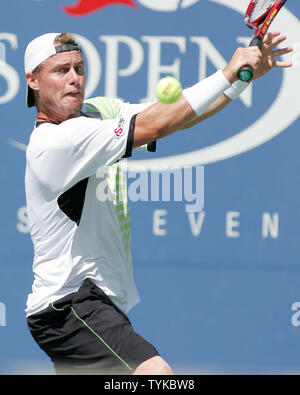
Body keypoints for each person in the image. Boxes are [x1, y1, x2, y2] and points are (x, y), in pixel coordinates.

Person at [24, 31, 292, 375]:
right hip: (69, 305)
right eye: (61, 70)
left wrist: (242, 78)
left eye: (79, 67)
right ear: (33, 80)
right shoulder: (55, 143)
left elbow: (176, 115)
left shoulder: (95, 114)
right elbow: (154, 124)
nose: (74, 78)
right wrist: (227, 72)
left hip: (85, 305)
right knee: (155, 373)